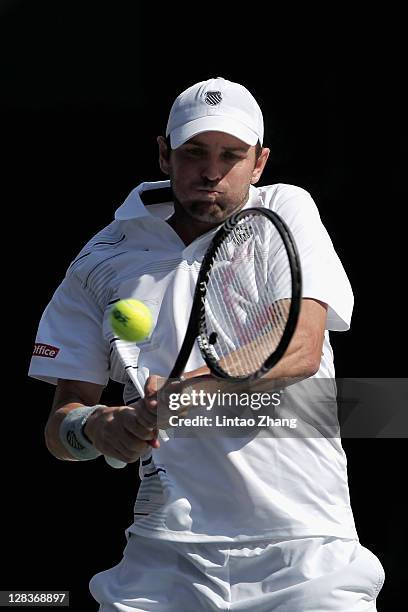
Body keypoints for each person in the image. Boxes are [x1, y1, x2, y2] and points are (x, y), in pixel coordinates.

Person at [29, 77, 385, 611]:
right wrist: (99, 427)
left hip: (305, 551)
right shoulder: (99, 259)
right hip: (160, 562)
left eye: (231, 155)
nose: (212, 172)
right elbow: (61, 430)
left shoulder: (285, 211)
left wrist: (183, 393)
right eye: (194, 153)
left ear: (259, 162)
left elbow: (299, 347)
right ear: (164, 155)